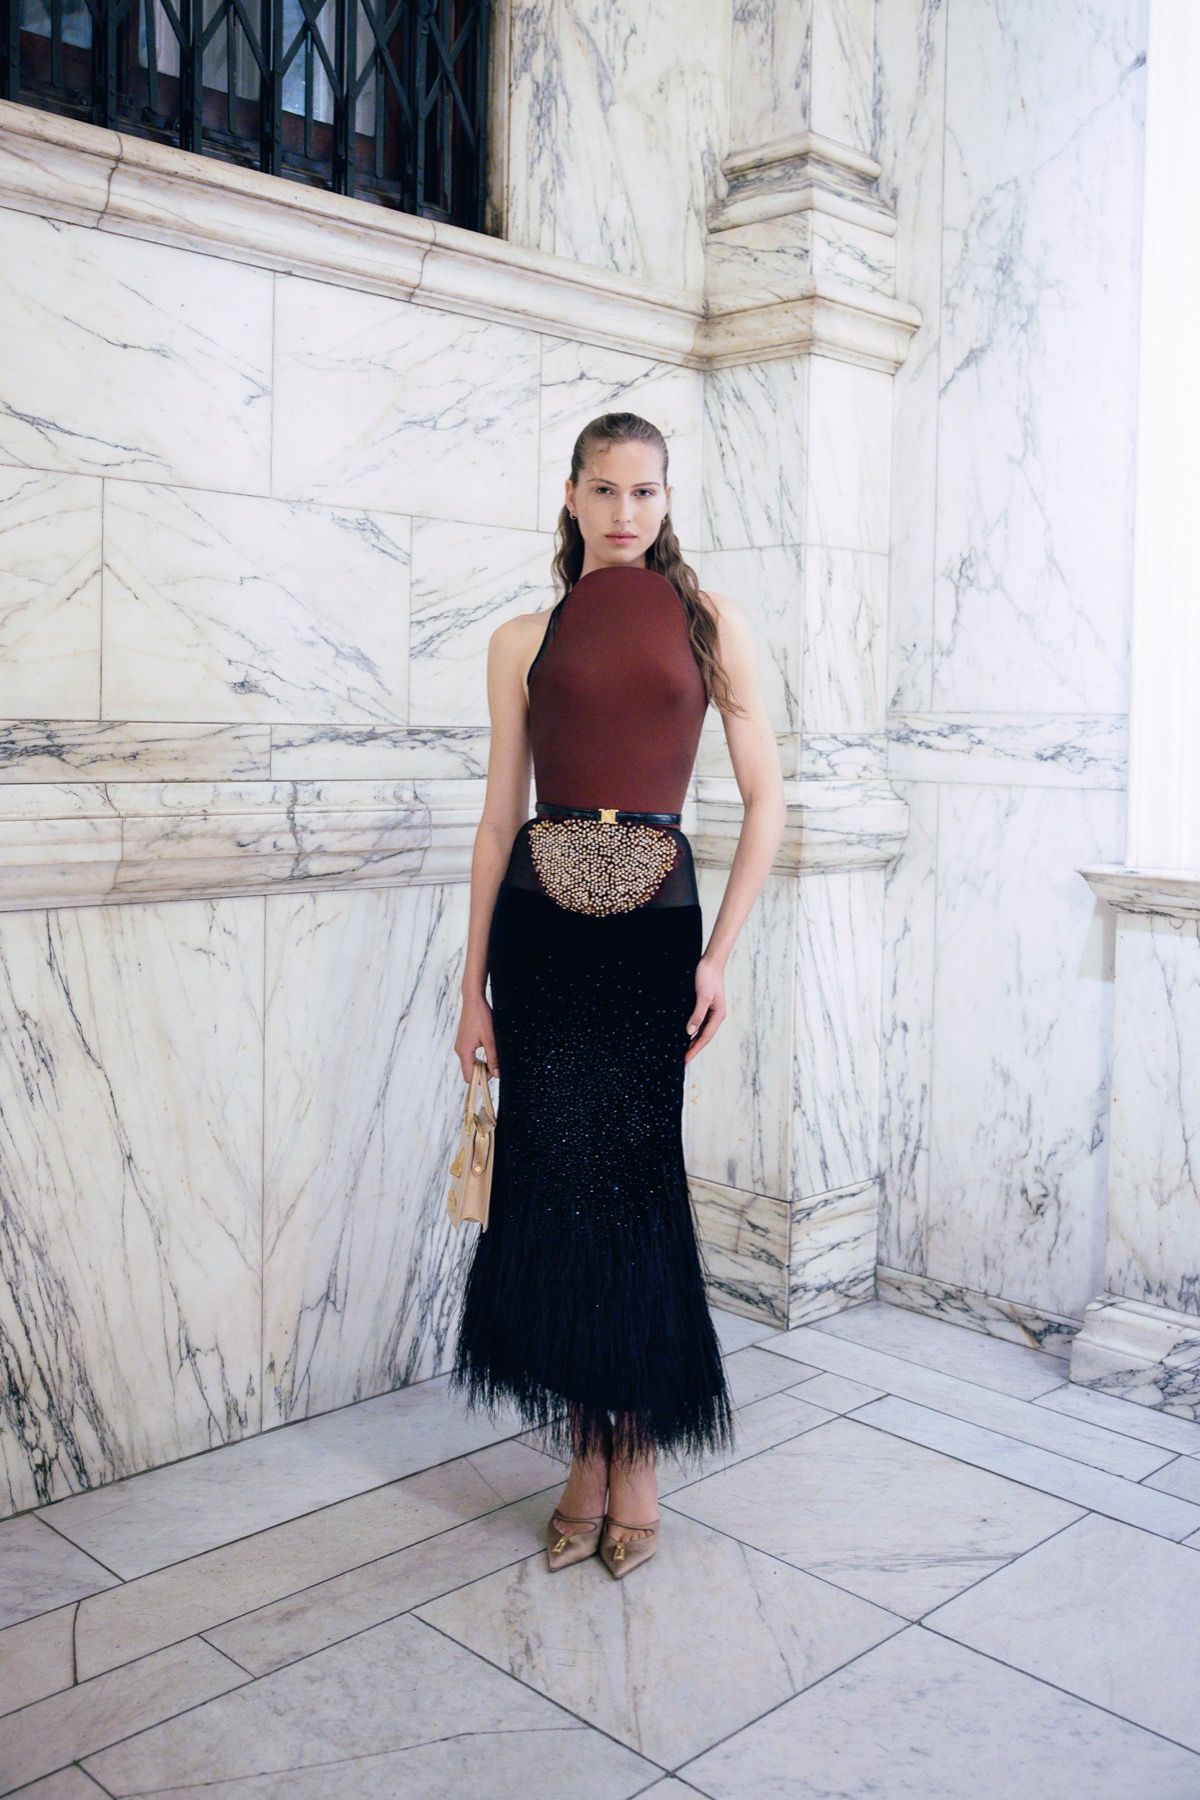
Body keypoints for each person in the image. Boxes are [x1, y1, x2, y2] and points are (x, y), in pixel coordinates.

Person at [450, 410, 785, 1578]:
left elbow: (768, 802)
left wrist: (719, 956)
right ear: (572, 495)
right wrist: (471, 990)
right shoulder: (520, 639)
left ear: (667, 498)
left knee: (633, 1187)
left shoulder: (711, 624)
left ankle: (632, 1454)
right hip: (538, 942)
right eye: (605, 489)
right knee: (554, 1185)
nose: (625, 512)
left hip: (654, 939)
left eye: (645, 492)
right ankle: (585, 1459)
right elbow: (496, 821)